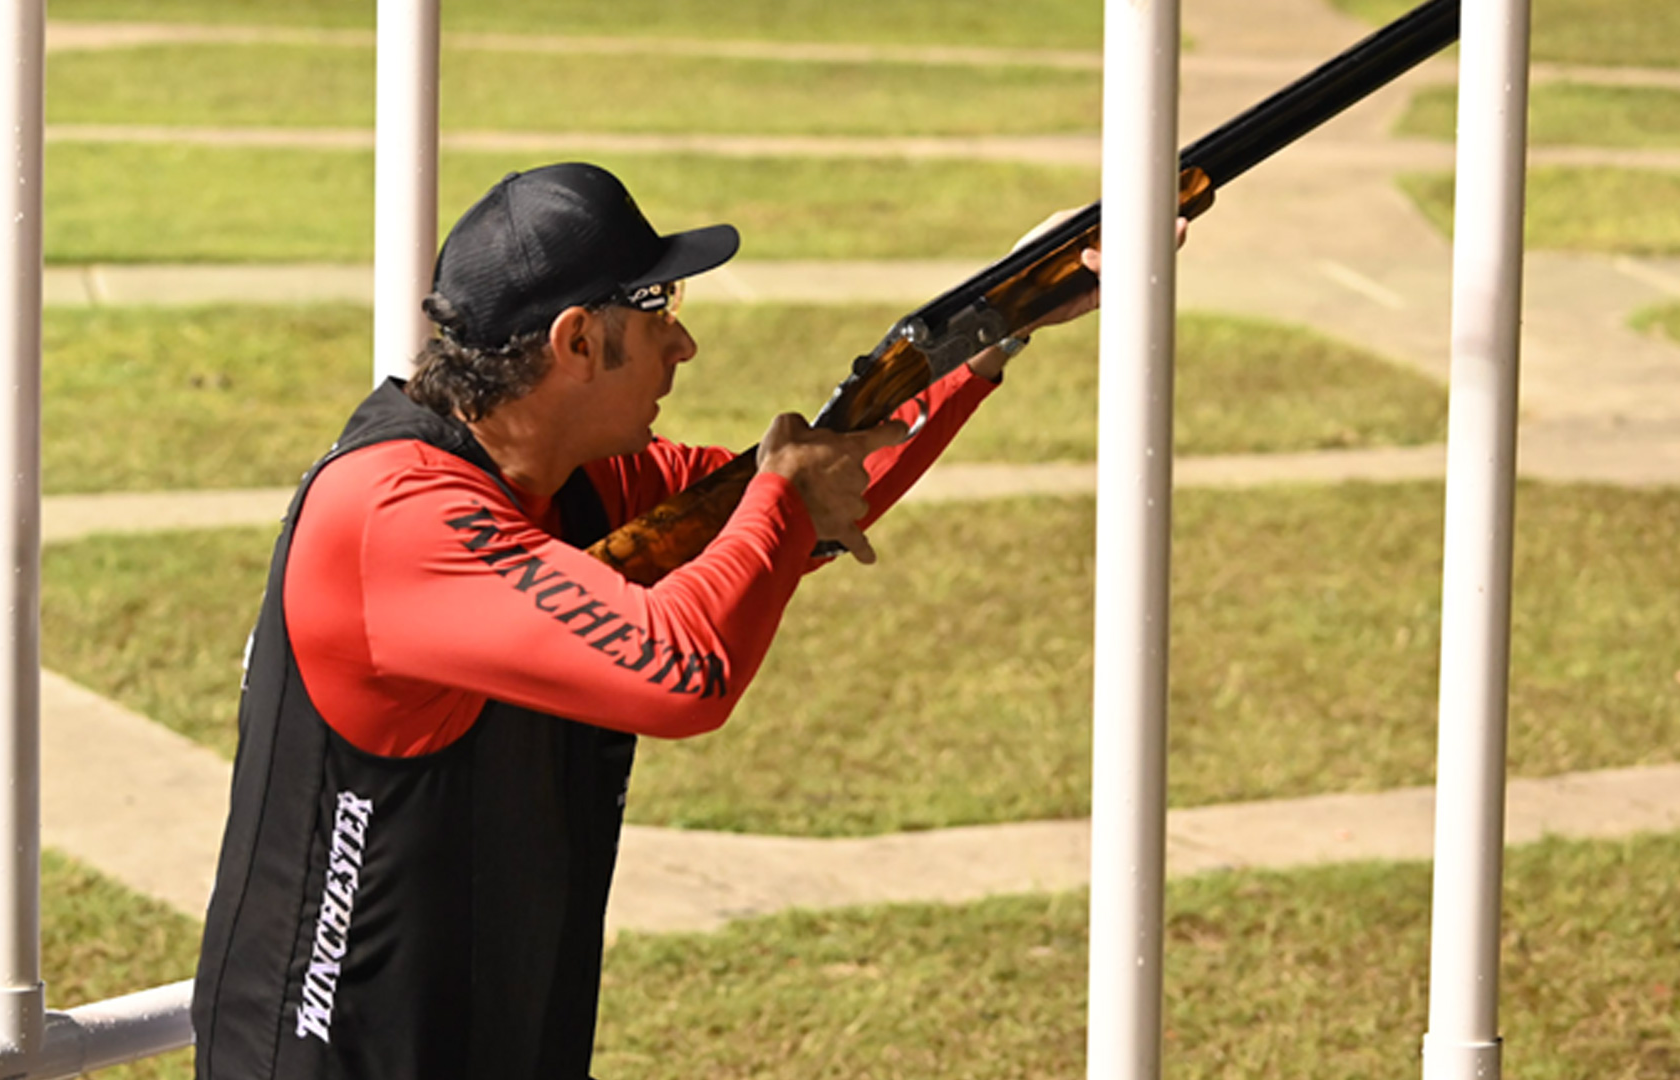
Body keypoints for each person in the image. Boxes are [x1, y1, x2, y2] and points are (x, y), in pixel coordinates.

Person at [191, 161, 1110, 1080]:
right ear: (578, 341)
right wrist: (784, 500)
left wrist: (1004, 316)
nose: (686, 344)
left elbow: (825, 481)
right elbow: (682, 674)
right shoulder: (391, 511)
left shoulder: (569, 480)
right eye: (659, 308)